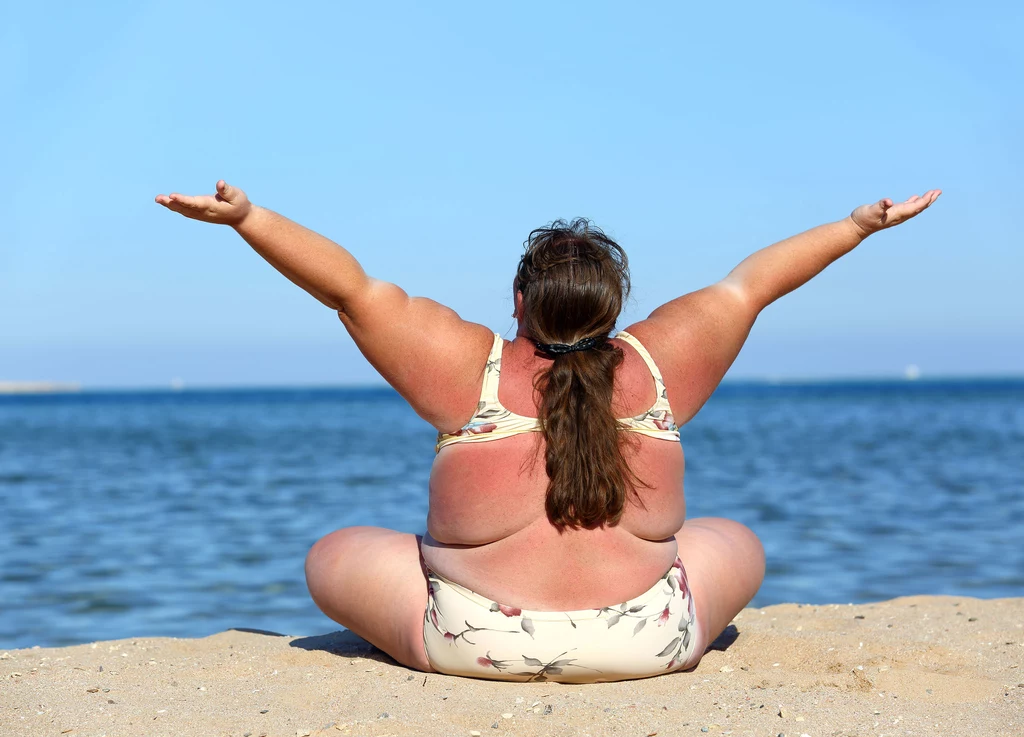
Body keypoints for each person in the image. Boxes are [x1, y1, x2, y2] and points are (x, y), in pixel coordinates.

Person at [156, 182, 941, 682]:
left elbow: (350, 290)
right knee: (734, 537)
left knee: (330, 553)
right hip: (651, 642)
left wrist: (248, 218)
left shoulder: (467, 370)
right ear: (614, 304)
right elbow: (753, 285)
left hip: (473, 644)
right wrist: (855, 226)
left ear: (519, 299)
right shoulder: (661, 363)